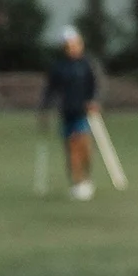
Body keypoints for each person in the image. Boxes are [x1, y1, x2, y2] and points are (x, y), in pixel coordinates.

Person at [41, 25, 99, 201]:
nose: (72, 47)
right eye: (68, 45)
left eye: (75, 43)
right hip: (67, 112)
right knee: (72, 147)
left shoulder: (87, 64)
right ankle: (77, 182)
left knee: (85, 148)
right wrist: (44, 111)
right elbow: (50, 90)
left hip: (84, 112)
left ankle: (87, 178)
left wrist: (94, 101)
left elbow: (95, 85)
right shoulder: (59, 67)